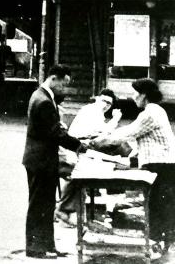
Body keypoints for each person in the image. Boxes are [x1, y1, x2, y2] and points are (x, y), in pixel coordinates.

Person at [92, 78, 175, 257]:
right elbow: (143, 138)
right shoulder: (154, 110)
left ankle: (156, 247)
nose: (132, 96)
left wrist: (97, 141)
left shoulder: (151, 112)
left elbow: (128, 132)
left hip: (162, 165)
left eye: (135, 92)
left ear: (144, 94)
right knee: (161, 205)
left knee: (157, 206)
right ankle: (162, 245)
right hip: (161, 163)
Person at [22, 64, 87, 259]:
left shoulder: (42, 95)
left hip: (40, 159)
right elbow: (55, 133)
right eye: (63, 84)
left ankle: (47, 245)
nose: (64, 89)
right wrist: (78, 145)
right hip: (40, 160)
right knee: (39, 205)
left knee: (46, 204)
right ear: (54, 79)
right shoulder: (43, 101)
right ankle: (36, 248)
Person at [55, 89, 123, 225]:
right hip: (74, 148)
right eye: (103, 101)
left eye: (109, 104)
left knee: (116, 154)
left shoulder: (95, 112)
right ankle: (64, 209)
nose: (105, 105)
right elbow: (104, 132)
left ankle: (73, 209)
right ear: (97, 99)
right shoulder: (92, 110)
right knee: (85, 172)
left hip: (82, 147)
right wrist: (116, 119)